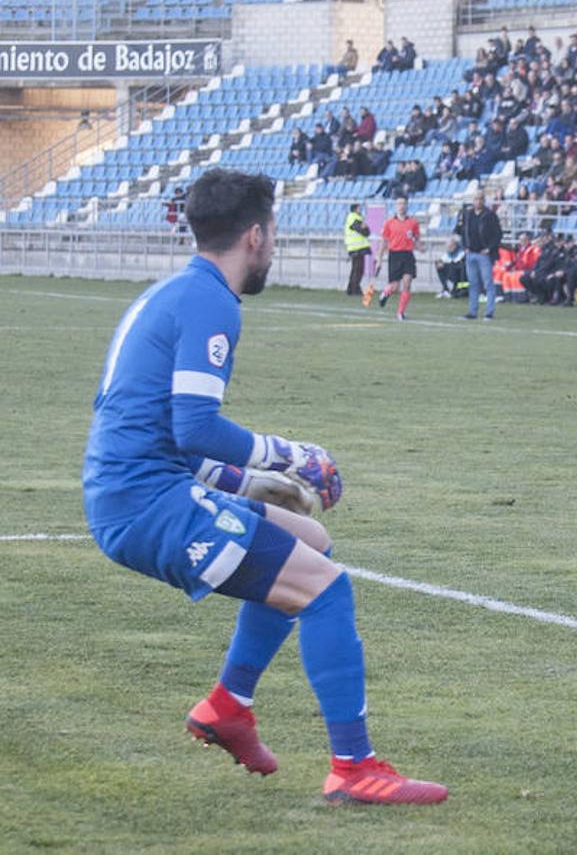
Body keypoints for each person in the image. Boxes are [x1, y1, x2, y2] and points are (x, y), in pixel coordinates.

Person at [81, 168, 447, 805]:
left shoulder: (170, 293)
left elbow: (156, 432)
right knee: (327, 591)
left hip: (135, 489)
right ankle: (352, 768)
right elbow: (193, 426)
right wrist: (293, 457)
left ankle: (229, 705)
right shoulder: (211, 301)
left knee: (310, 538)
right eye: (274, 233)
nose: (273, 245)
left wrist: (252, 481)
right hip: (145, 502)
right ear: (255, 235)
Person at [455, 192, 503, 321]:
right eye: (476, 199)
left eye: (480, 199)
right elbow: (462, 231)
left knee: (488, 284)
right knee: (473, 284)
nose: (478, 202)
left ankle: (489, 312)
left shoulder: (490, 215)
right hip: (471, 253)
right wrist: (465, 246)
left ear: (484, 200)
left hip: (483, 254)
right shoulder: (468, 215)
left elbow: (498, 234)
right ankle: (472, 311)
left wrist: (489, 248)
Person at [376, 196, 420, 321]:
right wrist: (379, 257)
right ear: (396, 206)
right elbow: (384, 241)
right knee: (394, 286)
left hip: (408, 255)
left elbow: (416, 238)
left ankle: (400, 312)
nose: (401, 206)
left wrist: (419, 246)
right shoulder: (389, 222)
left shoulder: (413, 222)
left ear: (407, 205)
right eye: (399, 203)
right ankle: (385, 293)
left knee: (407, 282)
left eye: (403, 203)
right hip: (394, 255)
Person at [342, 202, 370, 297]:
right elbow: (364, 231)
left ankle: (351, 288)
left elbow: (365, 231)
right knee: (358, 269)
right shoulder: (354, 218)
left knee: (356, 269)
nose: (360, 210)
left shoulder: (353, 218)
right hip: (356, 247)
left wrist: (365, 229)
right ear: (355, 209)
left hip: (356, 247)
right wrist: (365, 228)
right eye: (359, 208)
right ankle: (354, 289)